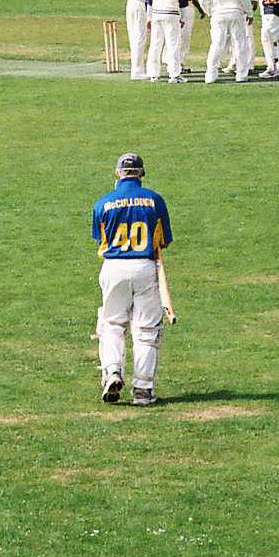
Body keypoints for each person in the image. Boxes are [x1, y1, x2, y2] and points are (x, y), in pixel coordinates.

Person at [93, 152, 172, 406]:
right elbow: (165, 242)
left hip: (113, 267)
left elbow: (101, 239)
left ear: (117, 174)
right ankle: (143, 389)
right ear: (142, 174)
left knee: (112, 325)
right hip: (145, 267)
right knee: (147, 330)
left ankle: (112, 372)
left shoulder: (102, 203)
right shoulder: (155, 200)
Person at [199, 0, 255, 84]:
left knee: (217, 44)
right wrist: (249, 13)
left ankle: (210, 75)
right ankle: (241, 75)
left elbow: (203, 0)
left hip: (218, 14)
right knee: (239, 43)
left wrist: (209, 12)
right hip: (235, 13)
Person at [145, 0, 191, 83]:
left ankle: (153, 74)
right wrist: (183, 18)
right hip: (172, 15)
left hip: (156, 15)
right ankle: (174, 75)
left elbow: (149, 1)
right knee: (173, 45)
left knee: (155, 44)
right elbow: (183, 3)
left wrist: (148, 18)